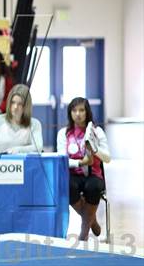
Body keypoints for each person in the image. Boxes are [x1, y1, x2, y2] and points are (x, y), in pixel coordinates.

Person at [57, 97, 111, 241]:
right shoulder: (63, 133)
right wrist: (81, 162)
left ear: (87, 112)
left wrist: (94, 150)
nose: (78, 114)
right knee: (67, 186)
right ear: (70, 113)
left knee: (93, 187)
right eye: (74, 110)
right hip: (73, 174)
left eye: (81, 110)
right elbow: (61, 160)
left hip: (94, 175)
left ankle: (83, 234)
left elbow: (108, 158)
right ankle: (91, 220)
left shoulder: (97, 131)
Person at [0, 84, 43, 155]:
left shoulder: (34, 124)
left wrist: (18, 150)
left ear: (26, 106)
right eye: (13, 102)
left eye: (20, 104)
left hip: (25, 165)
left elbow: (38, 147)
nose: (15, 107)